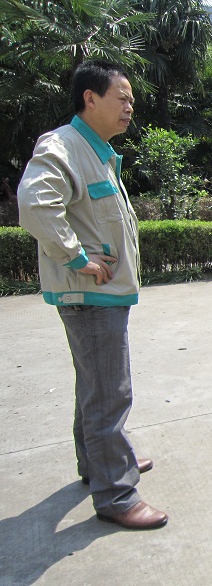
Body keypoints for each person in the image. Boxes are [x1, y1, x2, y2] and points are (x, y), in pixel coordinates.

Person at [17, 60, 167, 529]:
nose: (129, 107)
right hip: (90, 295)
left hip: (101, 295)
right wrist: (77, 257)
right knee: (109, 394)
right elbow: (35, 203)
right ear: (90, 98)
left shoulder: (95, 152)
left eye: (131, 100)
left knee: (94, 385)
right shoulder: (63, 145)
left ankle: (97, 462)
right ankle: (116, 494)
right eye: (122, 98)